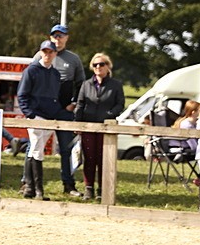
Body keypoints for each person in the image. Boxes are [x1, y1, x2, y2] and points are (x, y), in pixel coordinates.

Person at [17, 40, 70, 200]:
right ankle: (38, 189)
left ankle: (31, 188)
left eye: (50, 52)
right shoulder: (31, 71)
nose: (48, 55)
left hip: (49, 117)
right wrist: (30, 114)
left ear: (55, 54)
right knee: (37, 149)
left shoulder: (55, 74)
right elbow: (22, 95)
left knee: (36, 150)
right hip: (36, 116)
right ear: (41, 52)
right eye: (45, 52)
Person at [73, 52, 125, 201]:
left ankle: (102, 189)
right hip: (89, 125)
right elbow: (80, 104)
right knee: (89, 158)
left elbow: (120, 104)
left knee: (104, 158)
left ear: (108, 66)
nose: (98, 67)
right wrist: (78, 122)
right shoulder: (86, 84)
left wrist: (109, 114)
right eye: (95, 65)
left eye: (101, 64)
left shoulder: (116, 85)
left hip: (106, 127)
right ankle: (88, 188)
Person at [45, 23, 86, 196]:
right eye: (55, 36)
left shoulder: (73, 59)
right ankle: (28, 183)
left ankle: (69, 185)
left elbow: (81, 84)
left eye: (61, 36)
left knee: (66, 149)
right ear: (50, 38)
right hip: (45, 109)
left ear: (67, 38)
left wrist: (74, 103)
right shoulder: (41, 56)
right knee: (35, 146)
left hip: (64, 110)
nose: (58, 39)